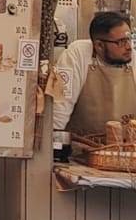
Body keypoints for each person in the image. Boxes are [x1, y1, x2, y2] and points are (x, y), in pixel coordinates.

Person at [51, 11, 136, 140]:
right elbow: (60, 107)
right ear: (99, 46)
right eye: (121, 42)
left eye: (129, 39)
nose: (129, 47)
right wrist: (54, 143)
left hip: (126, 148)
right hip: (81, 147)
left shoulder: (133, 57)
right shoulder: (77, 55)